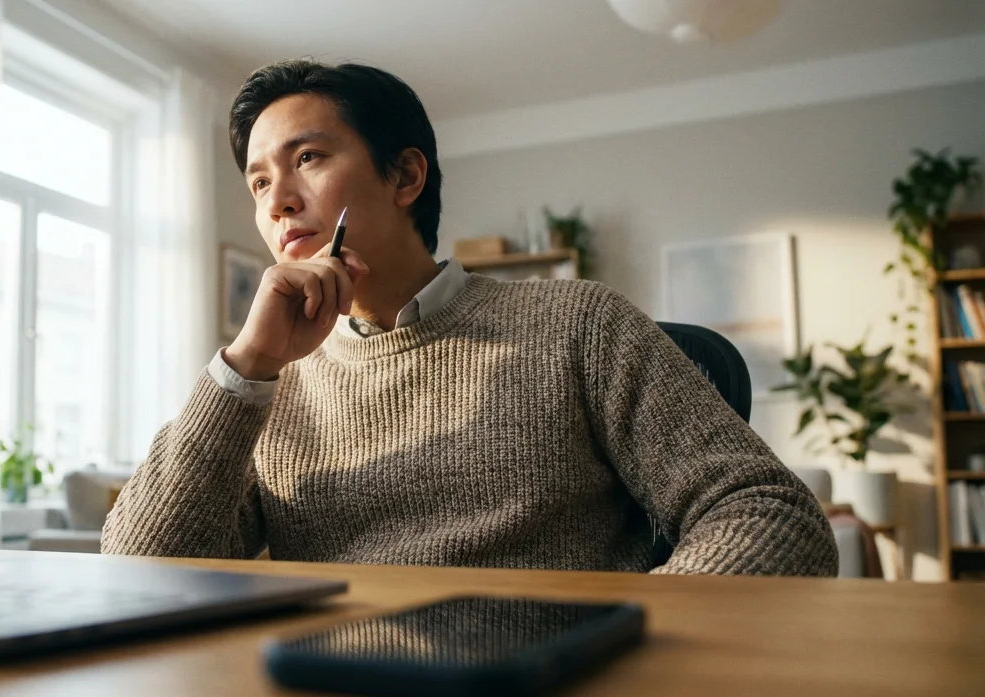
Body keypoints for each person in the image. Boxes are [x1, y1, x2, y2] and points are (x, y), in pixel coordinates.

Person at [101, 59, 837, 576]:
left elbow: (769, 510)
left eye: (309, 159)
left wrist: (629, 640)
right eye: (259, 181)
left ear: (405, 176)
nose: (277, 200)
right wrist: (246, 367)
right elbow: (138, 569)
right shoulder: (269, 387)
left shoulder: (581, 323)